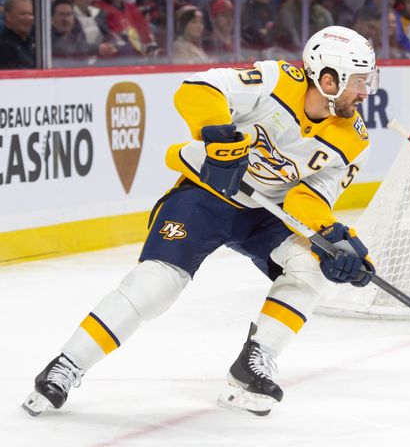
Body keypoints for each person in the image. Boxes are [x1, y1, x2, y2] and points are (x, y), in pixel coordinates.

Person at [22, 25, 380, 417]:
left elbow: (309, 197)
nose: (366, 92)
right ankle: (67, 364)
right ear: (329, 79)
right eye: (360, 81)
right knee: (156, 284)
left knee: (311, 268)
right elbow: (197, 87)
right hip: (207, 197)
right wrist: (217, 134)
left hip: (267, 214)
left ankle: (254, 362)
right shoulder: (276, 79)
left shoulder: (354, 139)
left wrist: (332, 237)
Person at [0, 0, 33, 69]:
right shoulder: (3, 46)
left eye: (30, 14)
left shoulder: (33, 42)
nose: (27, 18)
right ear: (8, 17)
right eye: (22, 14)